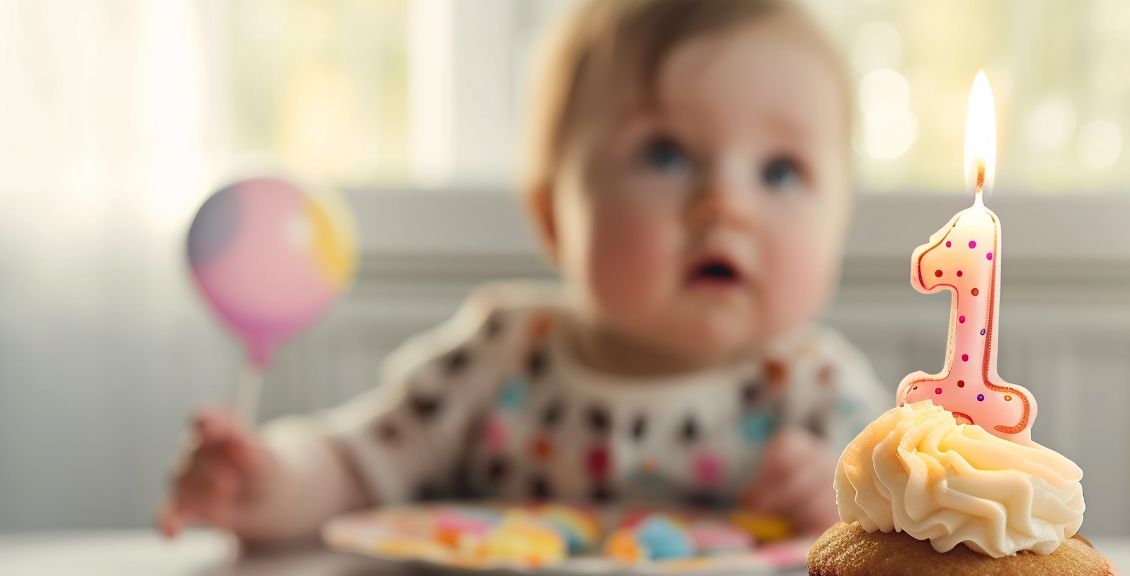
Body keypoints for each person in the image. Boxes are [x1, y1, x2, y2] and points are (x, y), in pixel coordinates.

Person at [156, 0, 887, 546]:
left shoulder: (819, 393)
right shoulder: (501, 354)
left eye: (781, 171)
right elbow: (350, 464)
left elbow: (917, 542)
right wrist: (268, 478)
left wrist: (843, 518)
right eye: (665, 155)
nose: (725, 207)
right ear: (552, 214)